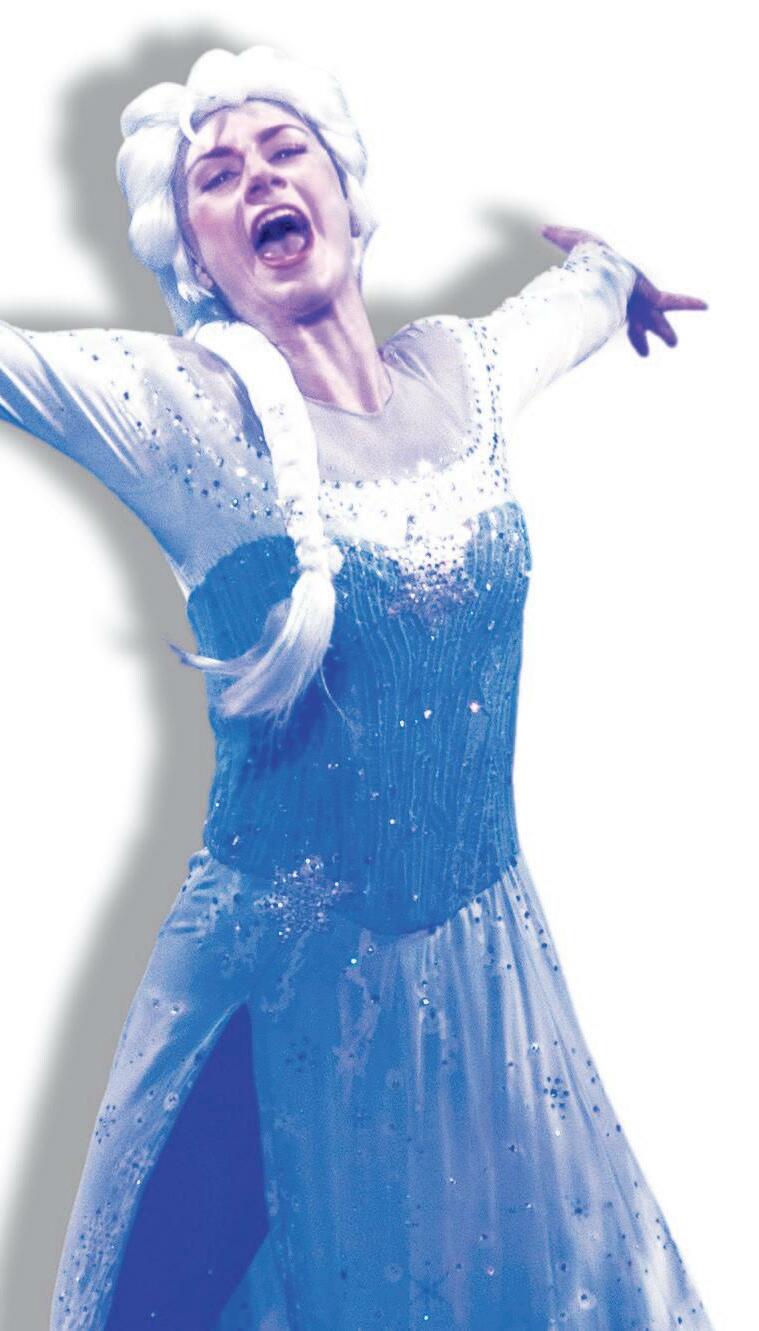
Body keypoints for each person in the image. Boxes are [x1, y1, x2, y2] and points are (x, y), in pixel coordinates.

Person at [0, 43, 711, 1331]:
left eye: (286, 153)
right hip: (276, 987)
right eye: (219, 177)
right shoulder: (183, 413)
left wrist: (614, 276)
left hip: (483, 971)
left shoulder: (462, 372)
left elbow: (564, 313)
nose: (261, 179)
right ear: (196, 256)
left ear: (345, 194)